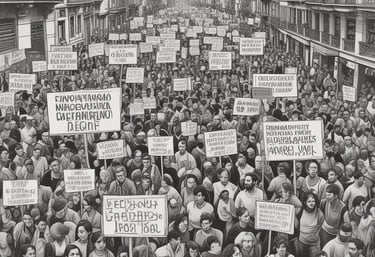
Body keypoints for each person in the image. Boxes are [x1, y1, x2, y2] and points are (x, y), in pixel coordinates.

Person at [295, 191, 324, 256]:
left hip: (314, 243)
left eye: (313, 201)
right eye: (309, 201)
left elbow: (320, 226)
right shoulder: (300, 210)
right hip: (302, 242)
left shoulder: (319, 213)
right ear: (305, 202)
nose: (311, 203)